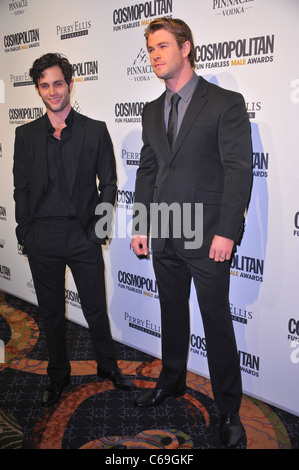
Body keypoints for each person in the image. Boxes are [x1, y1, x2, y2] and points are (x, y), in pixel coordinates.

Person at [131, 18, 252, 447]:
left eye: (163, 45)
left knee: (217, 322)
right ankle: (173, 380)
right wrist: (141, 223)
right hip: (164, 232)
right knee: (171, 311)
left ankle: (229, 410)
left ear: (186, 47)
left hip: (207, 237)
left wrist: (228, 231)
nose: (155, 55)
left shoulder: (224, 102)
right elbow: (149, 170)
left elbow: (238, 171)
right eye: (150, 49)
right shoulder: (150, 110)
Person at [13, 53, 136, 408]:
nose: (52, 91)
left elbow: (109, 183)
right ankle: (58, 375)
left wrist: (98, 230)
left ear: (70, 84)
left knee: (96, 307)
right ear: (38, 89)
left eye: (58, 83)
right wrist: (25, 232)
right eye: (45, 85)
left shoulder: (94, 130)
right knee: (51, 313)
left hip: (83, 236)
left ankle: (108, 367)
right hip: (42, 239)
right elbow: (20, 188)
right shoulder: (26, 135)